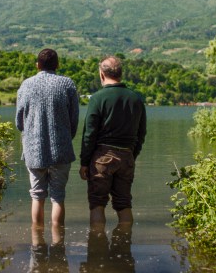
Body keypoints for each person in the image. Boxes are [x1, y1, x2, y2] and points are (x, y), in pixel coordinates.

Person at [79, 55, 146, 226]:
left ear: (102, 74)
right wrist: (131, 155)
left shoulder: (97, 98)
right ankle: (125, 241)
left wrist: (84, 162)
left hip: (102, 157)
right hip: (127, 156)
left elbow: (89, 134)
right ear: (120, 74)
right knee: (124, 203)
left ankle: (97, 240)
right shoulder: (136, 98)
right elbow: (141, 133)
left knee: (97, 204)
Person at [16, 48, 79, 228]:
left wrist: (29, 135)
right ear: (57, 65)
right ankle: (58, 240)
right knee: (58, 196)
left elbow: (19, 122)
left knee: (37, 195)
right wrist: (66, 137)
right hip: (61, 149)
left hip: (33, 150)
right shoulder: (67, 84)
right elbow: (74, 120)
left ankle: (37, 239)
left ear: (38, 65)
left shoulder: (26, 85)